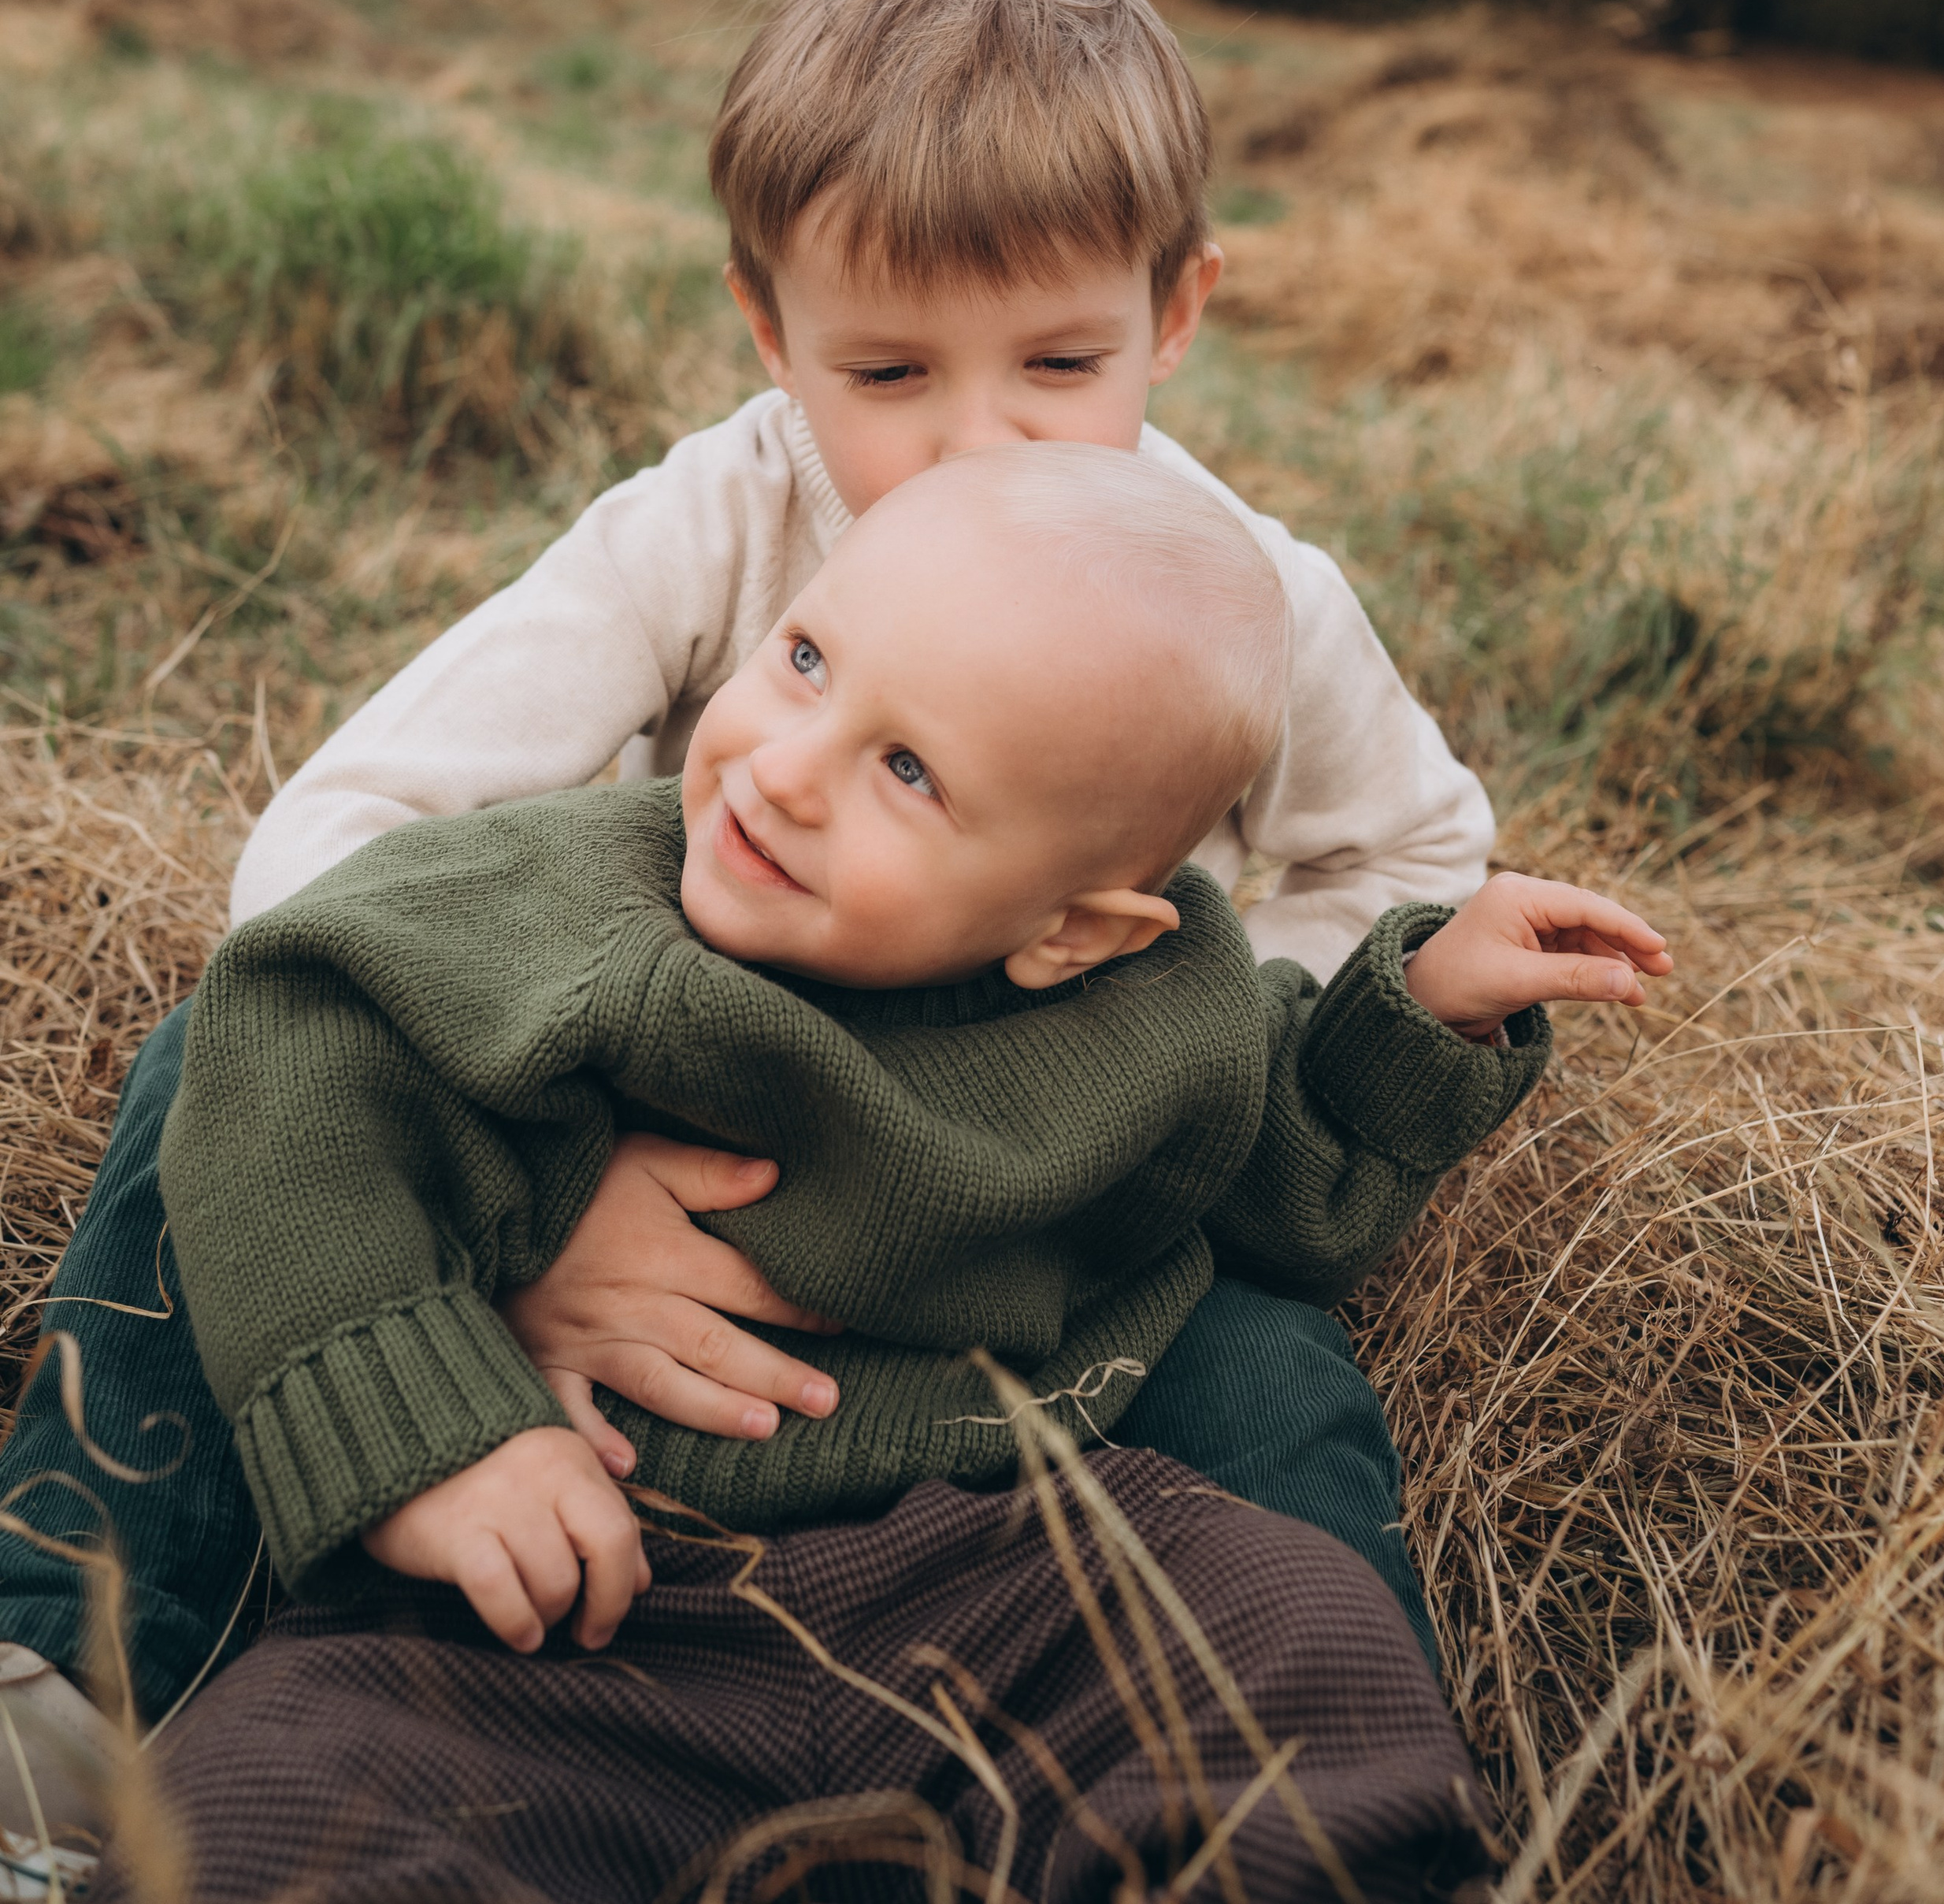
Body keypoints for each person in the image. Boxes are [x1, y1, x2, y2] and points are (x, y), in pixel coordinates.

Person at [2, 0, 1498, 1854]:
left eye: (1061, 363)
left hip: (1030, 1209)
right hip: (684, 1101)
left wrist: (1168, 1048)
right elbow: (338, 845)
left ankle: (1306, 1805)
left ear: (1176, 307)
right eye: (886, 370)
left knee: (1270, 1379)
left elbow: (1405, 851)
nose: (974, 440)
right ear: (767, 328)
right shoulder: (708, 521)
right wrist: (554, 1199)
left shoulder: (1237, 601)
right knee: (228, 1071)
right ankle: (74, 1680)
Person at [95, 447, 1665, 1903]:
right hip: (576, 1614)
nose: (782, 771)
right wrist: (436, 1438)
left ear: (1076, 927)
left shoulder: (1154, 1010)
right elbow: (291, 1066)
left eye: (907, 769)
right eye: (803, 661)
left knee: (1293, 1636)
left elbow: (1263, 1179)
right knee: (276, 1790)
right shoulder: (561, 910)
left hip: (998, 1586)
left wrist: (1415, 1015)